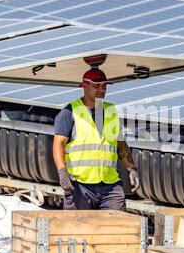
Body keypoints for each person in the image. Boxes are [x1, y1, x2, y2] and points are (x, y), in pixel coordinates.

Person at [53, 68, 140, 210]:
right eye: (96, 85)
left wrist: (132, 168)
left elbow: (120, 144)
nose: (101, 90)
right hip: (80, 185)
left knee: (114, 227)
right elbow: (58, 144)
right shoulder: (69, 112)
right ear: (84, 86)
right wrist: (62, 172)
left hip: (110, 185)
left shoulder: (110, 110)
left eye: (104, 86)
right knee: (78, 229)